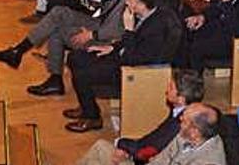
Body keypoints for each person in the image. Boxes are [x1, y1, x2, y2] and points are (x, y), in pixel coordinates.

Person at [62, 0, 182, 132]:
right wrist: (111, 47)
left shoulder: (156, 29)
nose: (126, 3)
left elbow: (134, 60)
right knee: (76, 57)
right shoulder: (143, 15)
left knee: (83, 75)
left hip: (132, 70)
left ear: (141, 4)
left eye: (130, 1)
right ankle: (86, 105)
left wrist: (129, 30)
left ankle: (92, 117)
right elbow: (129, 43)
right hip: (123, 56)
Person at [76, 69, 205, 164]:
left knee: (101, 148)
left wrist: (126, 150)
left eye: (171, 88)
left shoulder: (181, 123)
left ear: (181, 98)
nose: (166, 90)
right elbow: (153, 138)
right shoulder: (182, 113)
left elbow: (153, 150)